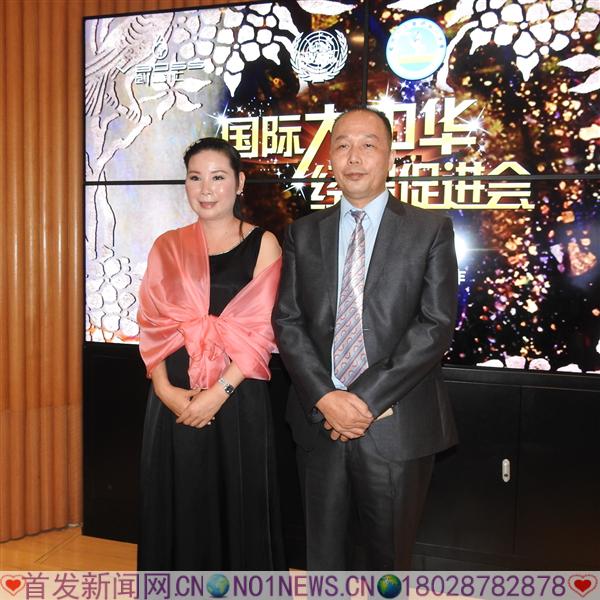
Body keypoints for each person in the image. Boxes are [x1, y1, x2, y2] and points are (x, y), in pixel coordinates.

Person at [273, 108, 459, 570]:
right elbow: (288, 322)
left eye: (368, 145)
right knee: (323, 560)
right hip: (320, 424)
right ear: (329, 158)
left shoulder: (430, 229)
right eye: (342, 145)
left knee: (388, 562)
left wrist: (361, 400)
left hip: (397, 424)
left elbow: (435, 324)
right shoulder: (302, 233)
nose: (353, 157)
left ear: (391, 157)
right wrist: (326, 398)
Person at [137, 137, 285, 570]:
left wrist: (219, 393)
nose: (206, 189)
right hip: (174, 398)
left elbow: (263, 332)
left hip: (238, 395)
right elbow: (151, 323)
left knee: (238, 507)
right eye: (195, 178)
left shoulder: (264, 244)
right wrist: (164, 390)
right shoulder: (167, 245)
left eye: (218, 177)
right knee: (178, 505)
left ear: (239, 183)